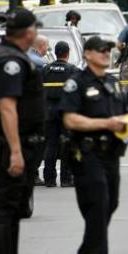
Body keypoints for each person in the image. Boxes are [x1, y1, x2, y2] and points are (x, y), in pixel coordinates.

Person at [59, 36, 128, 254]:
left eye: (108, 51)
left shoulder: (114, 83)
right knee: (98, 206)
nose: (106, 54)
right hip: (87, 154)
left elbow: (126, 112)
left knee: (110, 205)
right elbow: (70, 119)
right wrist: (106, 124)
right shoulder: (77, 82)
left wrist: (126, 124)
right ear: (88, 54)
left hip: (112, 154)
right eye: (101, 50)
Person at [0, 8, 45, 254]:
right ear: (28, 33)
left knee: (13, 208)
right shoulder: (11, 61)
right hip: (13, 143)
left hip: (12, 141)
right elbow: (7, 107)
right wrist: (16, 151)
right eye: (35, 29)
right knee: (6, 208)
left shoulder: (2, 54)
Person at [41, 41, 80, 187]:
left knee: (50, 144)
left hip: (49, 111)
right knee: (67, 144)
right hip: (66, 112)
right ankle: (66, 179)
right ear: (68, 53)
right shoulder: (72, 70)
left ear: (56, 53)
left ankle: (49, 179)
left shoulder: (46, 69)